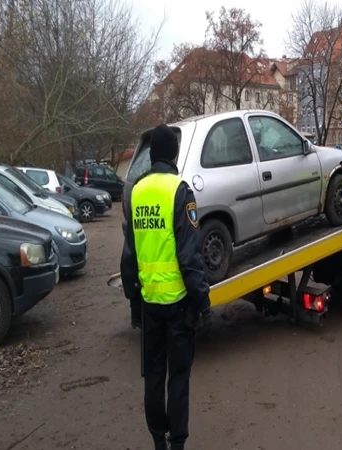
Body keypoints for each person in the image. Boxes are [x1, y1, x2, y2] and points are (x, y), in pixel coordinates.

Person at [120, 124, 213, 450]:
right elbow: (190, 257)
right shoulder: (179, 190)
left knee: (154, 375)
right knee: (179, 376)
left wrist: (133, 298)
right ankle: (177, 443)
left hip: (149, 303)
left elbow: (129, 252)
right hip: (178, 303)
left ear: (151, 154)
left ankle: (158, 440)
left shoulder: (137, 192)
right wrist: (203, 301)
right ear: (173, 153)